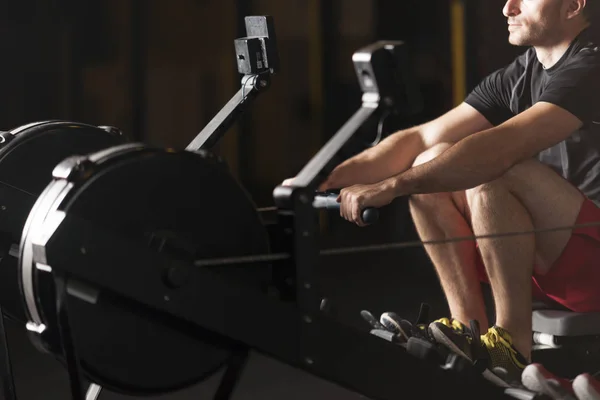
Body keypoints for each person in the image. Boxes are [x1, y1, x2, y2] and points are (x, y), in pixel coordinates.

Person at [283, 0, 600, 388]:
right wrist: (318, 180)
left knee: (488, 167)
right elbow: (420, 137)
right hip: (556, 256)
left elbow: (504, 145)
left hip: (593, 266)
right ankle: (470, 331)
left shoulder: (591, 65)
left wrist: (395, 185)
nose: (507, 8)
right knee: (431, 159)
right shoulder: (521, 74)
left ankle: (510, 347)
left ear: (573, 5)